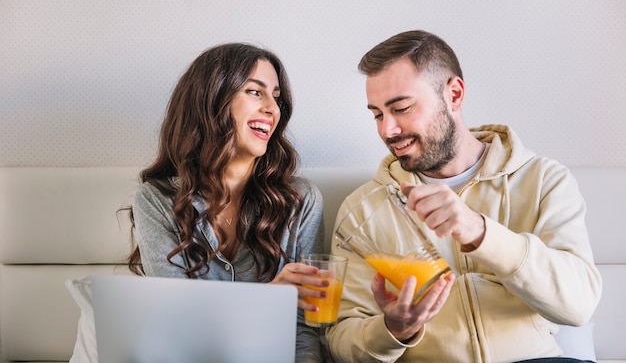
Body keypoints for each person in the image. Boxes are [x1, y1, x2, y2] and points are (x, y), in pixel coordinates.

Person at [326, 30, 602, 363]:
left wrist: (481, 232)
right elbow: (341, 342)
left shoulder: (543, 179)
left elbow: (579, 304)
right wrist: (394, 330)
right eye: (377, 114)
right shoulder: (364, 210)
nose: (387, 130)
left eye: (401, 108)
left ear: (454, 95)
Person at [127, 43, 327, 363]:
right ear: (213, 100)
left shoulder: (299, 201)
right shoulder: (157, 200)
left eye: (276, 97)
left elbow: (304, 328)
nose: (272, 109)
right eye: (255, 92)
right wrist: (269, 298)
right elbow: (179, 324)